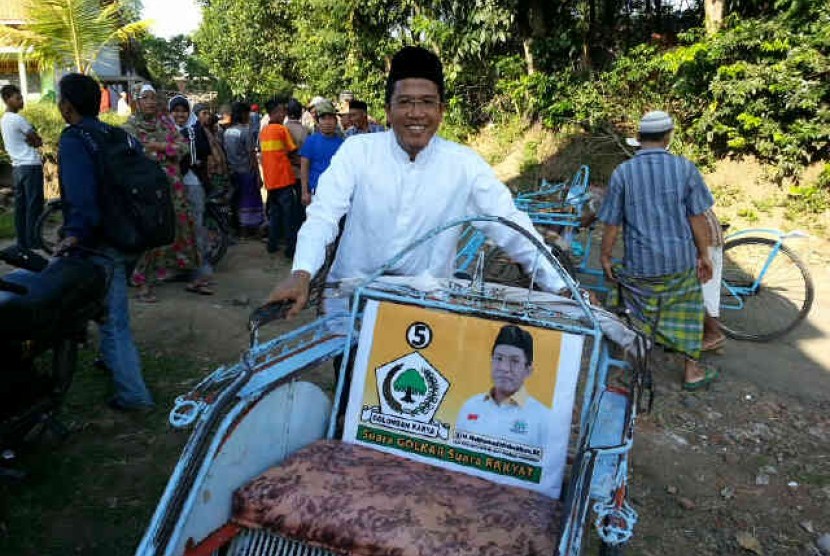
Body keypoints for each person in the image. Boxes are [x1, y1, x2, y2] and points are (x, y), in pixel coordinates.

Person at [269, 45, 568, 316]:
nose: (416, 113)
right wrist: (302, 271)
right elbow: (323, 215)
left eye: (427, 102)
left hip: (423, 311)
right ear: (388, 110)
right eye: (405, 102)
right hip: (350, 303)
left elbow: (510, 225)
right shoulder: (357, 152)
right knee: (349, 376)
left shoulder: (463, 164)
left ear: (441, 111)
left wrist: (564, 288)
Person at [54, 73, 153, 411]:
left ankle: (133, 396)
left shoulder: (74, 139)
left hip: (102, 241)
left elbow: (82, 197)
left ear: (67, 106)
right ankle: (108, 360)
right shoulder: (118, 135)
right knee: (104, 305)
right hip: (133, 235)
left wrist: (74, 234)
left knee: (113, 321)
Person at [598, 110, 716, 391]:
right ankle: (692, 371)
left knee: (639, 314)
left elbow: (611, 223)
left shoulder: (622, 173)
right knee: (688, 312)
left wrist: (605, 256)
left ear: (639, 139)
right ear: (667, 137)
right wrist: (705, 255)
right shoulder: (685, 169)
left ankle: (635, 369)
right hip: (679, 263)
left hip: (640, 266)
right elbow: (697, 218)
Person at [123, 84, 202, 302]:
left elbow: (183, 147)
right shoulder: (130, 126)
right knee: (151, 229)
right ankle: (142, 280)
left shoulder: (165, 122)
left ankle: (178, 269)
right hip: (147, 189)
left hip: (173, 186)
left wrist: (156, 146)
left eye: (153, 98)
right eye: (145, 98)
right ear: (136, 101)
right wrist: (165, 148)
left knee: (180, 225)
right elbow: (135, 152)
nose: (150, 102)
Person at [455, 325, 550, 446]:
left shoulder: (543, 418)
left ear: (528, 370)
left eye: (514, 361)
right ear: (491, 362)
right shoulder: (470, 406)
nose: (504, 368)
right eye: (499, 358)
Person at [169, 95, 215, 294]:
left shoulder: (196, 130)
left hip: (193, 184)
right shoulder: (165, 130)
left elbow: (204, 154)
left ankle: (201, 272)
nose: (180, 114)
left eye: (183, 111)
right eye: (176, 111)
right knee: (177, 229)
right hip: (172, 186)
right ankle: (181, 269)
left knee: (196, 226)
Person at [1, 84, 44, 249]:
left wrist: (31, 139)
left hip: (17, 168)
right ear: (7, 100)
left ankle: (22, 241)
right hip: (30, 165)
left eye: (21, 98)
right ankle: (34, 240)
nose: (21, 101)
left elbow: (32, 140)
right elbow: (37, 141)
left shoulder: (4, 120)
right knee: (34, 204)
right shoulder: (18, 119)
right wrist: (33, 139)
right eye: (17, 98)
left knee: (21, 207)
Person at [260, 97, 299, 257]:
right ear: (275, 113)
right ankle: (290, 249)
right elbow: (292, 150)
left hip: (271, 180)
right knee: (289, 215)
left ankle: (272, 244)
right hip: (284, 178)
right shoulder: (282, 130)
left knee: (275, 214)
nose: (285, 114)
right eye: (283, 111)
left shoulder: (263, 132)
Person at [223, 101, 264, 235]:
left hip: (233, 171)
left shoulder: (227, 132)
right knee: (249, 200)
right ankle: (249, 229)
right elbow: (252, 154)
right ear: (243, 114)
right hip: (246, 171)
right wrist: (258, 174)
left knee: (237, 200)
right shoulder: (246, 132)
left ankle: (239, 227)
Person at [297, 100, 344, 207]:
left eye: (330, 118)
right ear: (318, 122)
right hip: (316, 193)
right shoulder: (310, 141)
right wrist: (304, 192)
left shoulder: (342, 144)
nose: (327, 122)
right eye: (323, 118)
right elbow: (304, 167)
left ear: (335, 121)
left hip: (337, 194)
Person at [701, 208, 726, 351]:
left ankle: (713, 334)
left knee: (706, 290)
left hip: (705, 238)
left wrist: (703, 254)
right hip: (705, 234)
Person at [284, 98, 309, 220]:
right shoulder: (304, 130)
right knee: (299, 204)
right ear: (300, 113)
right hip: (300, 172)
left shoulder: (282, 129)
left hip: (284, 172)